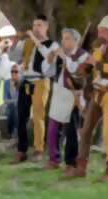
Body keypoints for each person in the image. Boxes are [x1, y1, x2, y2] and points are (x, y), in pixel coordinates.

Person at [66, 14, 108, 182]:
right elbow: (88, 71)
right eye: (98, 31)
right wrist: (78, 69)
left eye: (102, 31)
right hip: (96, 94)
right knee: (86, 130)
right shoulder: (96, 51)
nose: (99, 34)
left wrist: (97, 63)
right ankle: (81, 167)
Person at [11, 14, 59, 164]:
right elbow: (13, 57)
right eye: (34, 25)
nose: (35, 28)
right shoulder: (27, 43)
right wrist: (15, 42)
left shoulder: (53, 44)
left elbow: (47, 57)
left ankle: (38, 149)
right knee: (21, 117)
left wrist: (36, 40)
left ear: (46, 27)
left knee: (38, 117)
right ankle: (22, 150)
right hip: (25, 81)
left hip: (41, 81)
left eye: (39, 25)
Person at [41, 28, 89, 173]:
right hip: (59, 92)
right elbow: (47, 72)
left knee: (71, 131)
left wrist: (65, 57)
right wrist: (49, 60)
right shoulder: (60, 54)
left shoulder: (84, 55)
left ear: (76, 41)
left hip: (73, 94)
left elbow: (77, 72)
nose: (63, 41)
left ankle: (71, 163)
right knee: (53, 129)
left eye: (67, 38)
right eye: (63, 38)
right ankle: (54, 159)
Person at [3, 64, 20, 146]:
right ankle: (12, 135)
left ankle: (14, 135)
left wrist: (14, 88)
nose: (13, 73)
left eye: (16, 72)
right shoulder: (6, 83)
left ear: (20, 73)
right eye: (12, 71)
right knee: (11, 110)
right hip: (10, 107)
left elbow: (20, 100)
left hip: (20, 107)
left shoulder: (22, 83)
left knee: (15, 109)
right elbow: (5, 99)